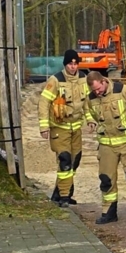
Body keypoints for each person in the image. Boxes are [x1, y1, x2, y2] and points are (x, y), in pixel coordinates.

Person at [84, 71, 126, 225]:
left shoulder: (124, 90)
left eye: (98, 89)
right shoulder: (91, 98)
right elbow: (89, 111)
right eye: (94, 91)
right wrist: (91, 122)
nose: (97, 93)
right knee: (106, 180)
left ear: (104, 81)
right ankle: (109, 212)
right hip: (106, 145)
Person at [38, 49, 88, 207]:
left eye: (75, 63)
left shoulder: (83, 78)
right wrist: (44, 126)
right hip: (59, 128)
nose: (73, 67)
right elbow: (43, 103)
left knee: (75, 161)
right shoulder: (56, 80)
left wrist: (91, 119)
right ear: (65, 64)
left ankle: (57, 194)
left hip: (76, 128)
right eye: (70, 64)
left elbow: (87, 102)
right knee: (65, 161)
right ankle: (65, 197)